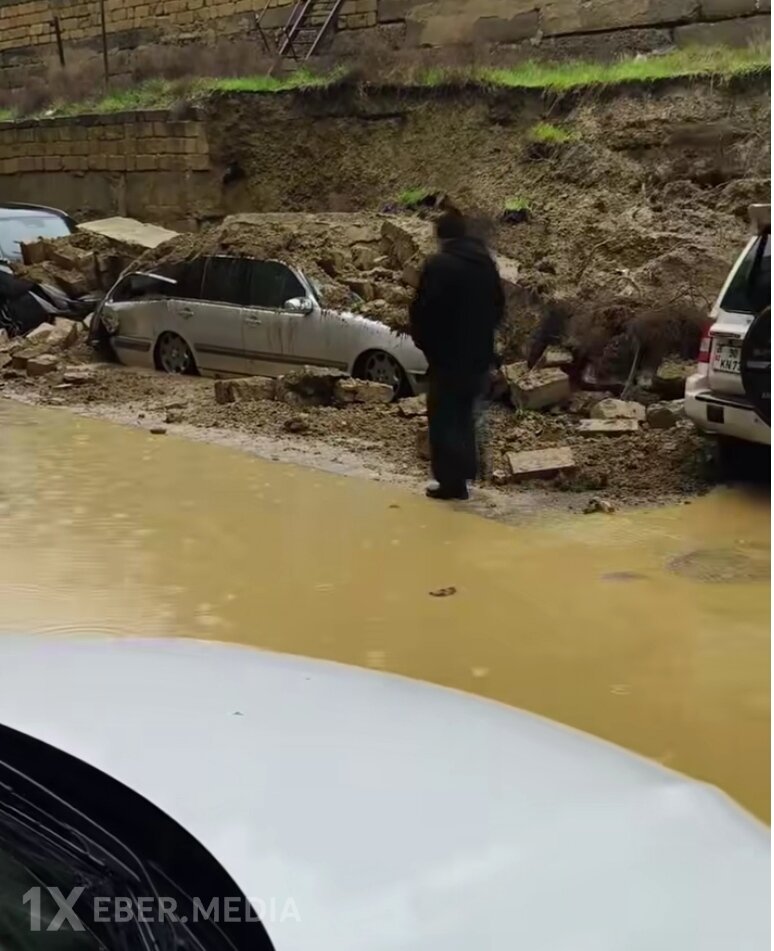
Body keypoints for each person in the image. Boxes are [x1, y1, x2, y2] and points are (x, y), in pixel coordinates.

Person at [409, 211, 505, 500]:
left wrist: (428, 346)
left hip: (447, 357)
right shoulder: (485, 263)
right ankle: (463, 478)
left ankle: (450, 483)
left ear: (441, 235)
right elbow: (499, 307)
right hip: (478, 356)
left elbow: (423, 311)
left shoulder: (440, 265)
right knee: (464, 414)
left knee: (443, 415)